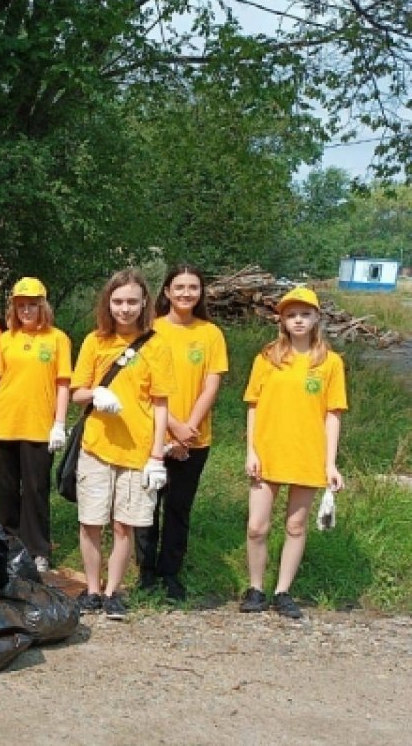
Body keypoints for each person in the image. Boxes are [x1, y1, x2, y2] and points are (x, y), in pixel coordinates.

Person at [69, 269, 175, 621]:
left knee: (123, 525)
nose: (125, 309)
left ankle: (113, 591)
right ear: (107, 303)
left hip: (138, 451)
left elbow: (161, 403)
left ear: (144, 302)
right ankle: (93, 589)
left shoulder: (157, 345)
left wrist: (158, 455)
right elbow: (76, 392)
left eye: (132, 301)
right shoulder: (94, 341)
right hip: (97, 446)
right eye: (118, 301)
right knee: (91, 522)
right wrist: (96, 394)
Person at [240, 287, 346, 620]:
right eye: (290, 315)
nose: (298, 320)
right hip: (268, 452)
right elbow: (253, 406)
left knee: (296, 525)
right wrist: (251, 451)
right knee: (257, 526)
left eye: (304, 314)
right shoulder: (267, 357)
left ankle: (283, 591)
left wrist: (330, 463)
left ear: (317, 318)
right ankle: (256, 587)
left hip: (308, 454)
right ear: (282, 321)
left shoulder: (330, 362)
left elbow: (333, 413)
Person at [135, 265, 227, 601]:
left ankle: (170, 572)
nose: (186, 293)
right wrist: (172, 425)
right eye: (179, 287)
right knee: (147, 505)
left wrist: (189, 428)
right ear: (167, 292)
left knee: (178, 507)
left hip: (194, 438)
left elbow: (211, 384)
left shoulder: (211, 334)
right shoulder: (150, 330)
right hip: (154, 434)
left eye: (193, 287)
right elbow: (142, 385)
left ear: (201, 293)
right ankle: (144, 572)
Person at [0, 277, 72, 574]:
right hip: (5, 422)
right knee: (6, 488)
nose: (26, 310)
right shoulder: (5, 338)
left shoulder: (58, 339)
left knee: (36, 488)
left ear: (43, 306)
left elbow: (63, 383)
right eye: (21, 305)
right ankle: (7, 546)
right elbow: (1, 379)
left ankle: (38, 548)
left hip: (40, 424)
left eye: (32, 305)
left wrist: (60, 423)